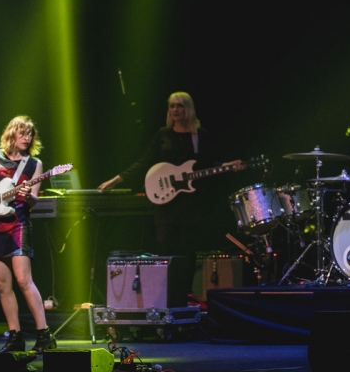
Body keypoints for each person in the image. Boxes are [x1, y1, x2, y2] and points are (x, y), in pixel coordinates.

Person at [98, 92, 243, 302]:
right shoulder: (162, 134)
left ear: (188, 109)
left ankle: (183, 296)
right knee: (165, 249)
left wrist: (229, 166)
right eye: (172, 106)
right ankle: (164, 298)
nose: (175, 110)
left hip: (191, 204)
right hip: (165, 204)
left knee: (187, 251)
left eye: (180, 106)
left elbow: (208, 164)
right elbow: (143, 162)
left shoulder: (199, 135)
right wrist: (115, 180)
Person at [0, 115, 57, 354]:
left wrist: (28, 196)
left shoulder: (34, 164)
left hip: (18, 223)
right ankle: (15, 336)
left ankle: (44, 334)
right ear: (12, 133)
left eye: (30, 135)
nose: (27, 138)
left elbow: (34, 199)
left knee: (24, 280)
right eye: (23, 133)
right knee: (1, 284)